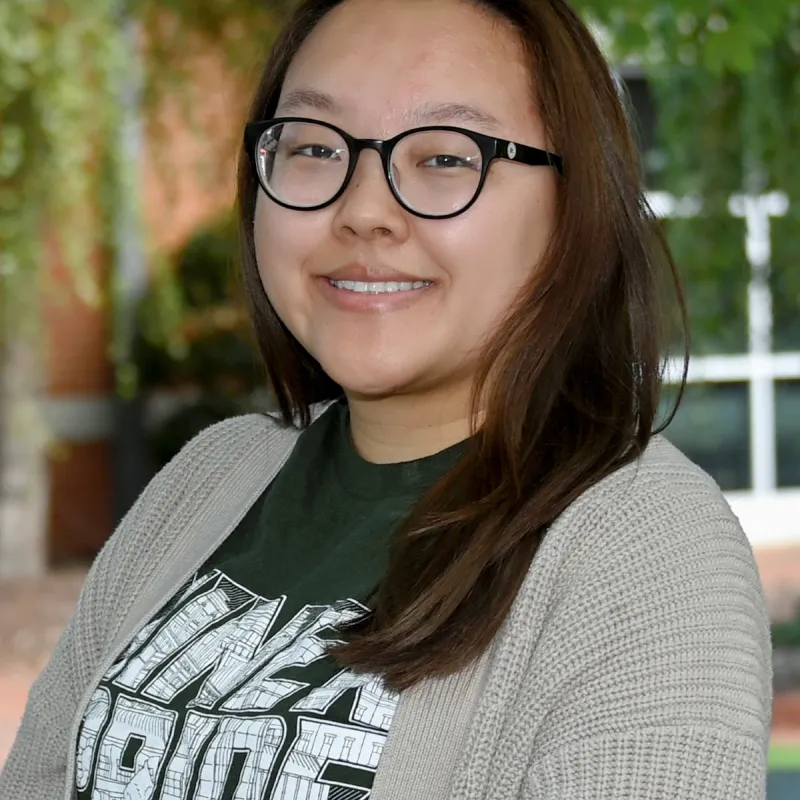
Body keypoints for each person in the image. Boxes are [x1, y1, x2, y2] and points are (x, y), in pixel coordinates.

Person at [0, 0, 772, 798]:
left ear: (573, 206)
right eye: (313, 146)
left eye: (445, 157)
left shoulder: (644, 549)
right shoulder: (210, 476)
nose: (364, 210)